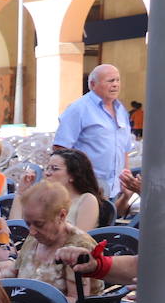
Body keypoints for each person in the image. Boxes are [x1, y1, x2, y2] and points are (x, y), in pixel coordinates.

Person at [0, 181, 100, 303]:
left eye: (39, 224)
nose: (32, 231)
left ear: (62, 216)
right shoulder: (35, 237)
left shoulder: (77, 247)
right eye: (28, 223)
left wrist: (32, 299)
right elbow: (14, 272)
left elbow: (77, 302)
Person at [53, 64, 132, 209]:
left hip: (115, 190)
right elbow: (60, 148)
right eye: (110, 81)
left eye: (117, 80)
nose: (115, 85)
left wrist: (125, 179)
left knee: (108, 230)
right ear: (92, 84)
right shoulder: (78, 108)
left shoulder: (121, 110)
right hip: (86, 188)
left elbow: (125, 148)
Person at [9, 148, 106, 231]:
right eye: (47, 168)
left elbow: (81, 240)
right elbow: (15, 229)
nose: (47, 173)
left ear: (73, 175)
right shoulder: (44, 199)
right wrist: (21, 192)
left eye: (54, 169)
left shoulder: (87, 199)